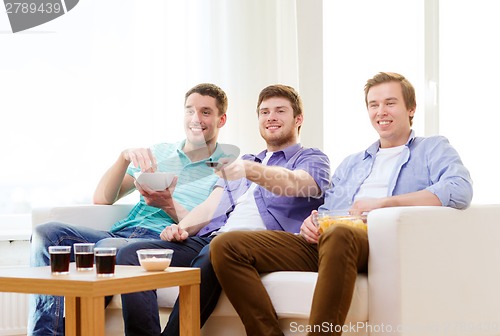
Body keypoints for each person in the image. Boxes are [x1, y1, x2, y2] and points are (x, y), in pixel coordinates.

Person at [210, 72, 474, 336]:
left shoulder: (431, 148)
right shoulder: (353, 162)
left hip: (374, 241)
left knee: (340, 233)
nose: (381, 111)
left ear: (411, 108)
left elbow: (458, 188)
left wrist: (385, 204)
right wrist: (311, 222)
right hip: (329, 240)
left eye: (390, 103)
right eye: (374, 105)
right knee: (225, 245)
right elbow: (328, 209)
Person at [116, 84, 331, 336]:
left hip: (258, 245)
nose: (270, 117)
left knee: (218, 248)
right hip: (213, 239)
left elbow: (299, 183)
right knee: (132, 254)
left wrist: (250, 171)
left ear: (298, 119)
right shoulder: (247, 161)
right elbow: (211, 207)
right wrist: (180, 228)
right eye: (264, 112)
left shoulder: (312, 158)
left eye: (280, 111)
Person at [28, 83, 230, 336]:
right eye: (190, 111)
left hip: (165, 241)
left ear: (221, 119)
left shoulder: (227, 167)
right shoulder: (160, 152)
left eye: (206, 112)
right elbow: (102, 198)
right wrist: (123, 158)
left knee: (109, 250)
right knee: (48, 234)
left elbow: (208, 226)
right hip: (120, 234)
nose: (195, 119)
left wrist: (167, 204)